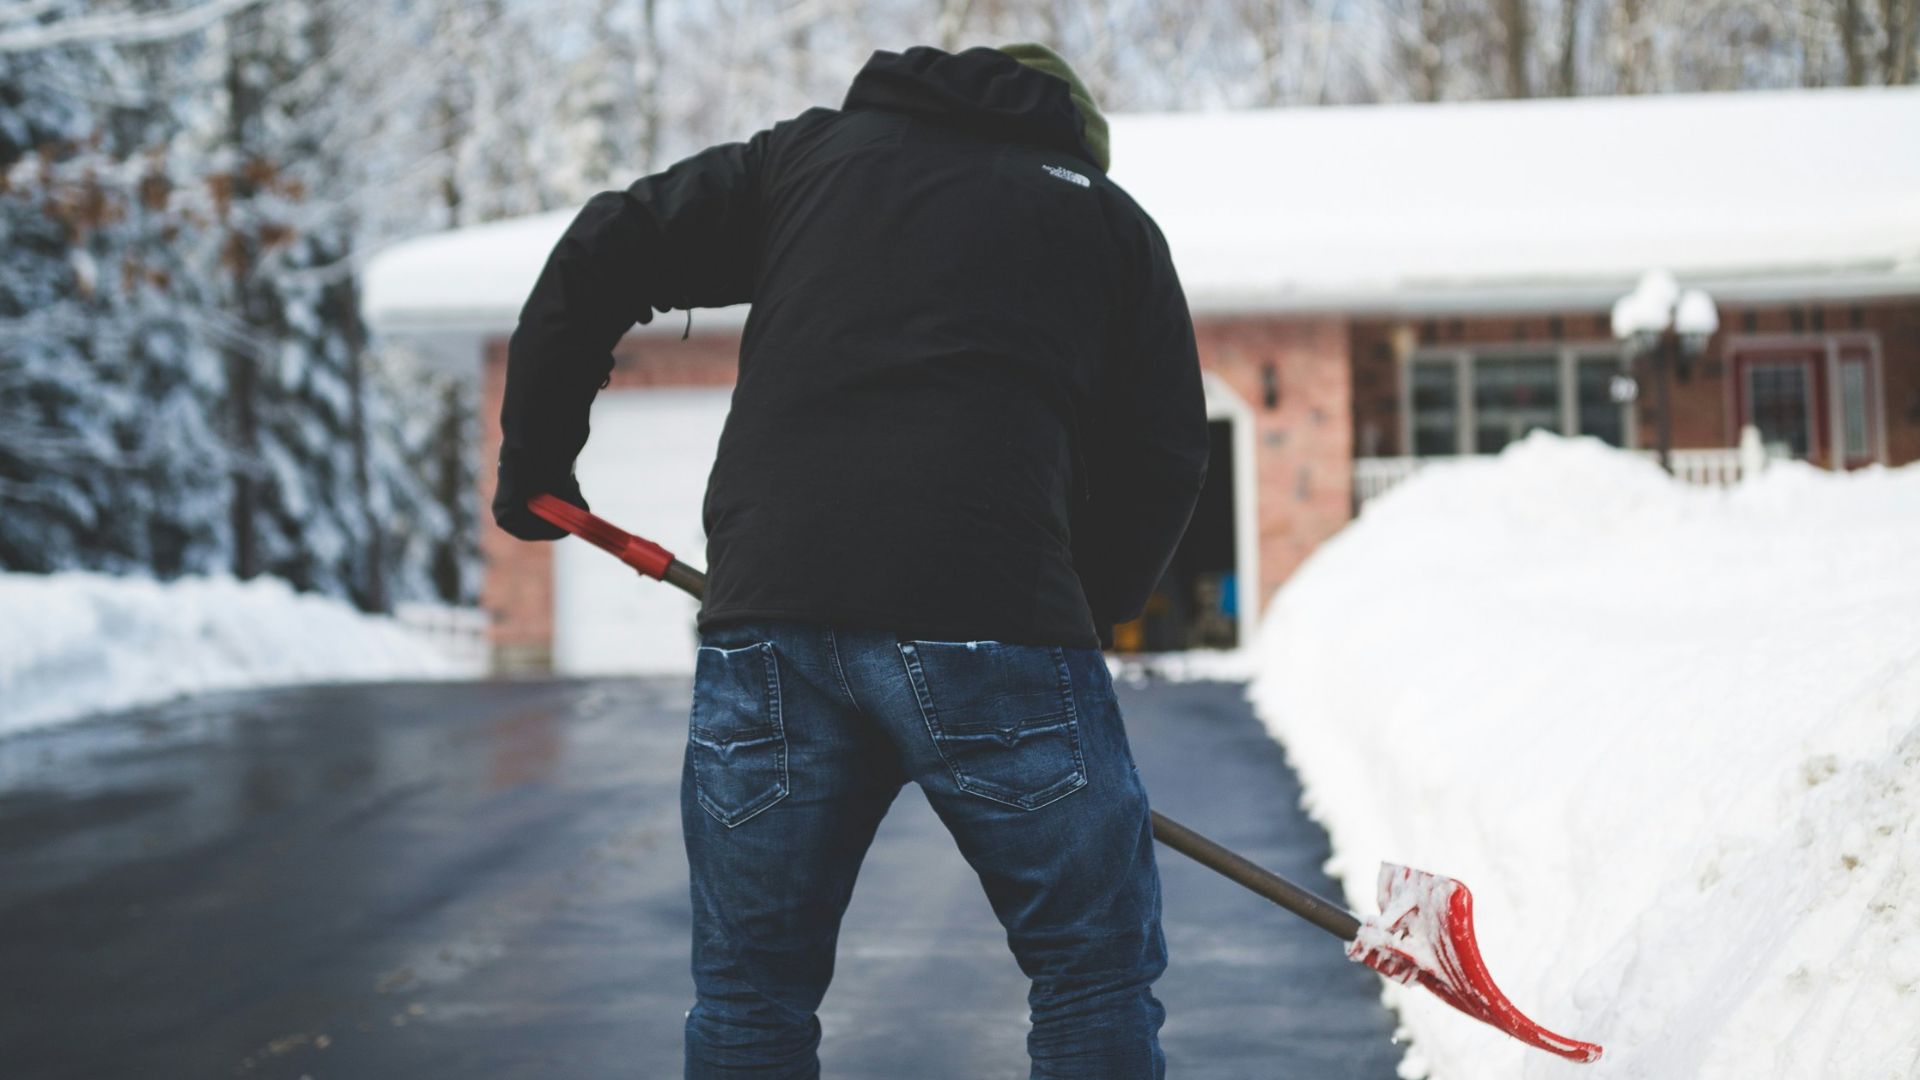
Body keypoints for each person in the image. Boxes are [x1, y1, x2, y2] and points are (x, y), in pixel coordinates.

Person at [493, 42, 1209, 1080]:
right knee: (1090, 972)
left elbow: (611, 241)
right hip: (992, 612)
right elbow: (1163, 456)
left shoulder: (809, 164)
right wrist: (1070, 621)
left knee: (750, 992)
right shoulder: (1103, 220)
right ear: (1074, 138)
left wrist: (536, 458)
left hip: (771, 617)